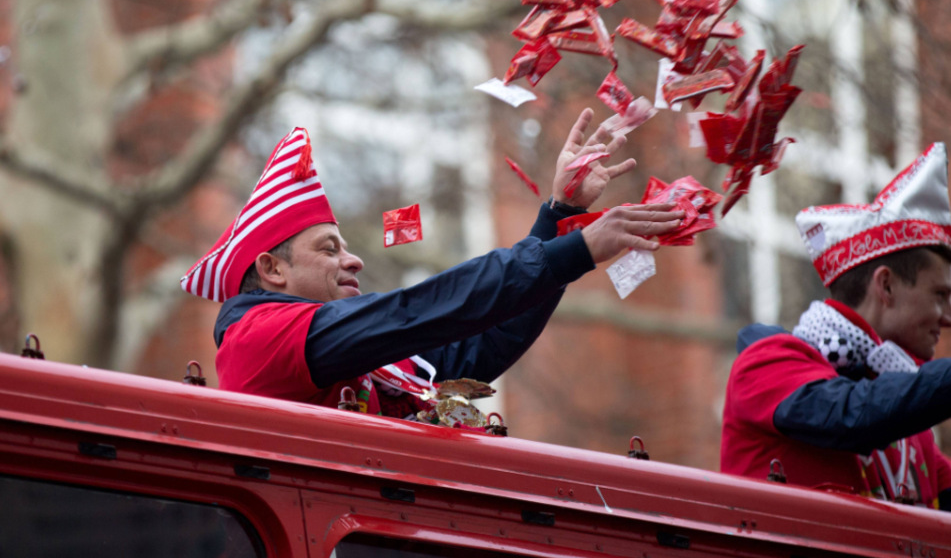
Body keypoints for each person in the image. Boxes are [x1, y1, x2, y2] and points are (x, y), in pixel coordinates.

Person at [182, 109, 684, 419]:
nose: (355, 259)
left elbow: (480, 346)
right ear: (272, 269)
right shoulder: (258, 336)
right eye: (330, 248)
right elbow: (417, 311)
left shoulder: (365, 353)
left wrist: (562, 217)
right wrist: (575, 249)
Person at [720, 142, 951, 510]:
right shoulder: (767, 363)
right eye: (939, 295)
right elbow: (852, 415)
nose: (947, 317)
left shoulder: (915, 428)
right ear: (886, 285)